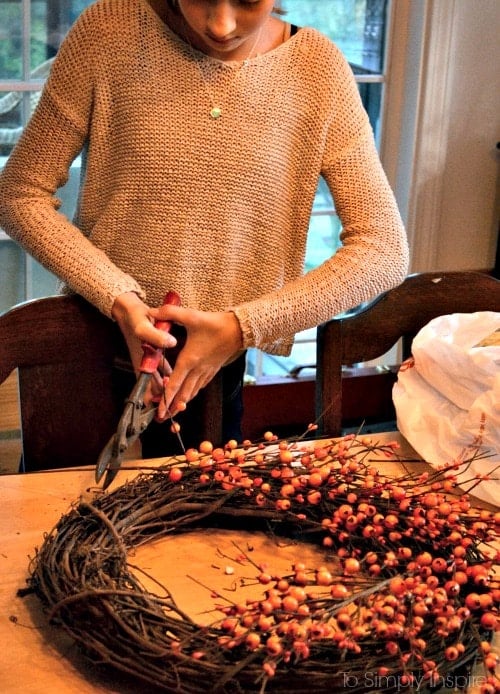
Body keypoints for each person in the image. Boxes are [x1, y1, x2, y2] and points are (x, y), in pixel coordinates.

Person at [0, 0, 409, 456]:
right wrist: (118, 297)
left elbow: (384, 249)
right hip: (87, 346)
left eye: (247, 1)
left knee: (194, 520)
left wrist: (241, 327)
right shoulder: (109, 33)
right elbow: (19, 193)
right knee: (59, 512)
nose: (221, 25)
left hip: (209, 375)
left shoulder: (317, 70)